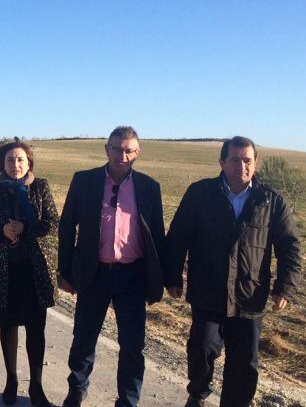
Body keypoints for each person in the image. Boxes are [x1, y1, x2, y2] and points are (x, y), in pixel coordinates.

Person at [165, 136, 302, 407]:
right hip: (208, 291)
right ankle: (198, 394)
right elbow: (178, 236)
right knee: (202, 348)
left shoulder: (271, 201)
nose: (242, 165)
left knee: (244, 361)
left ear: (255, 163)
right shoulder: (200, 193)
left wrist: (285, 286)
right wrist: (172, 275)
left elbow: (290, 246)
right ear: (222, 163)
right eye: (235, 160)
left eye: (247, 160)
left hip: (249, 295)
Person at [57, 126, 166, 407]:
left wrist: (158, 281)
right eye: (117, 148)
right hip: (93, 273)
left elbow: (157, 236)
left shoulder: (149, 187)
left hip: (132, 276)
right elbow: (67, 226)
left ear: (137, 153)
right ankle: (77, 388)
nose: (122, 155)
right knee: (84, 337)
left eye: (129, 150)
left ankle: (128, 399)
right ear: (106, 149)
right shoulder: (84, 181)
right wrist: (65, 271)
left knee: (132, 345)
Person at [0, 141, 59, 407]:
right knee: (7, 326)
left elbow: (52, 223)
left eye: (21, 159)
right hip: (3, 269)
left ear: (29, 162)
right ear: (3, 164)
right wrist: (1, 230)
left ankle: (36, 387)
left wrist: (24, 227)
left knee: (36, 330)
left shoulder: (40, 187)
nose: (16, 165)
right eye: (10, 160)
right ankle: (11, 380)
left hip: (34, 271)